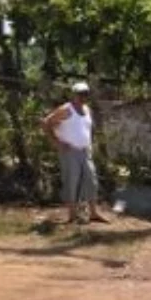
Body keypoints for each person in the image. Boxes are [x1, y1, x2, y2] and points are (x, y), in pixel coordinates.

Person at [41, 82, 109, 224]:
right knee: (71, 182)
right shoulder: (66, 109)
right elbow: (46, 122)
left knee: (92, 181)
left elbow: (87, 129)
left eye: (85, 93)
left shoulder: (87, 109)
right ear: (74, 94)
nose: (83, 96)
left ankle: (93, 213)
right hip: (70, 151)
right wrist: (56, 142)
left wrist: (90, 144)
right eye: (80, 93)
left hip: (85, 151)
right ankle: (71, 216)